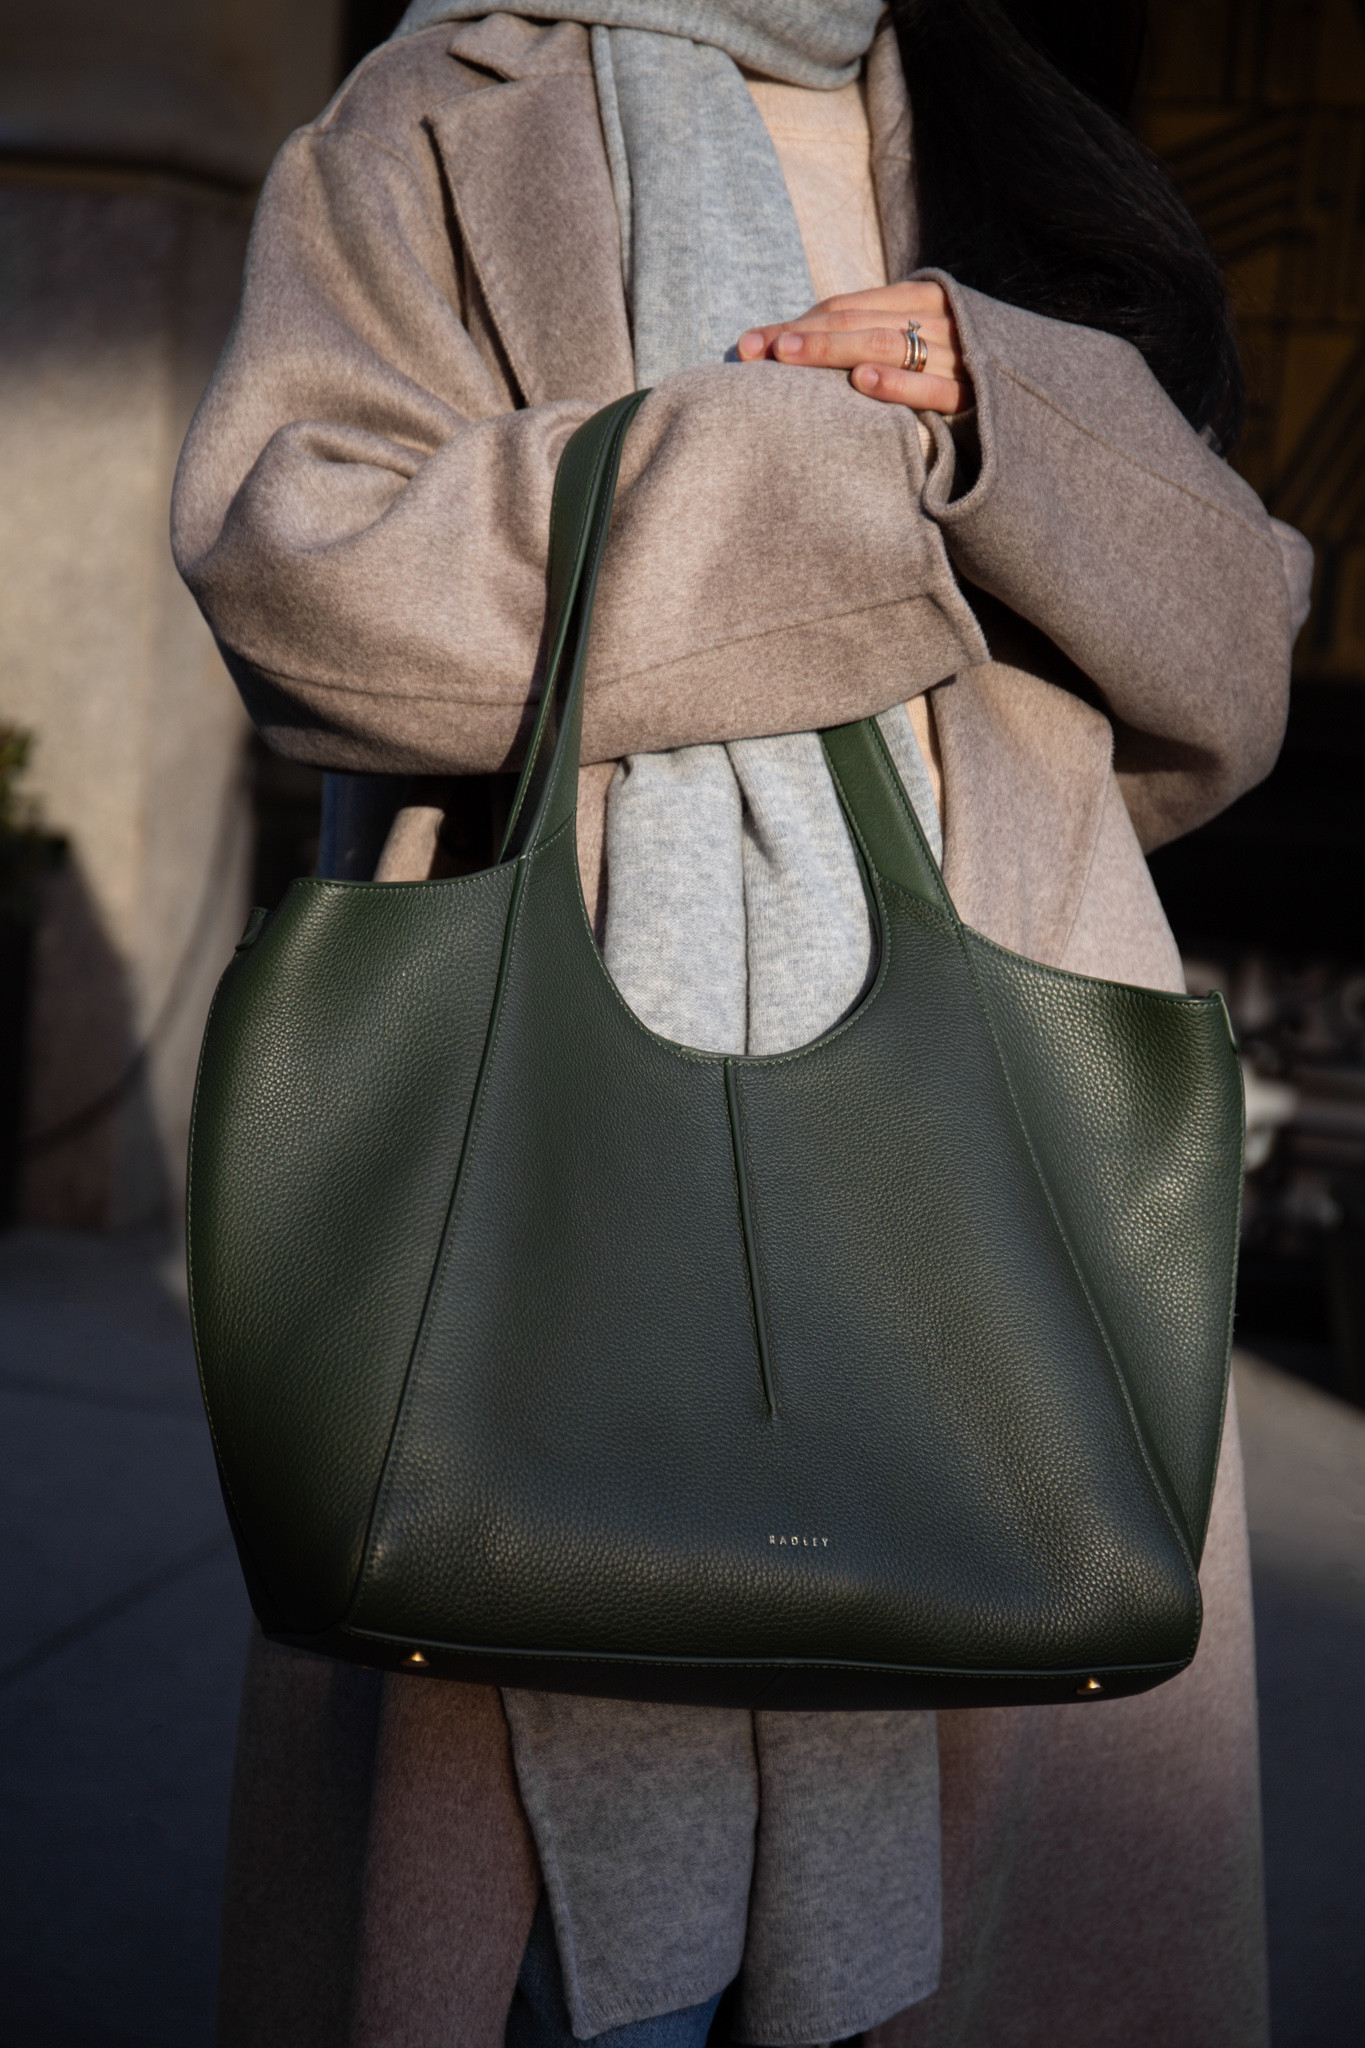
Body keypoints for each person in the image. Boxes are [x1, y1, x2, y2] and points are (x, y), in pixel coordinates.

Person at [172, 4, 1312, 2045]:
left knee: (986, 1863)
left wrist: (1007, 418)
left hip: (987, 1136)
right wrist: (800, 475)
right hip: (547, 1119)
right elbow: (302, 579)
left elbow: (1227, 669)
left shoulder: (1026, 138)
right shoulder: (442, 104)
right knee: (532, 1923)